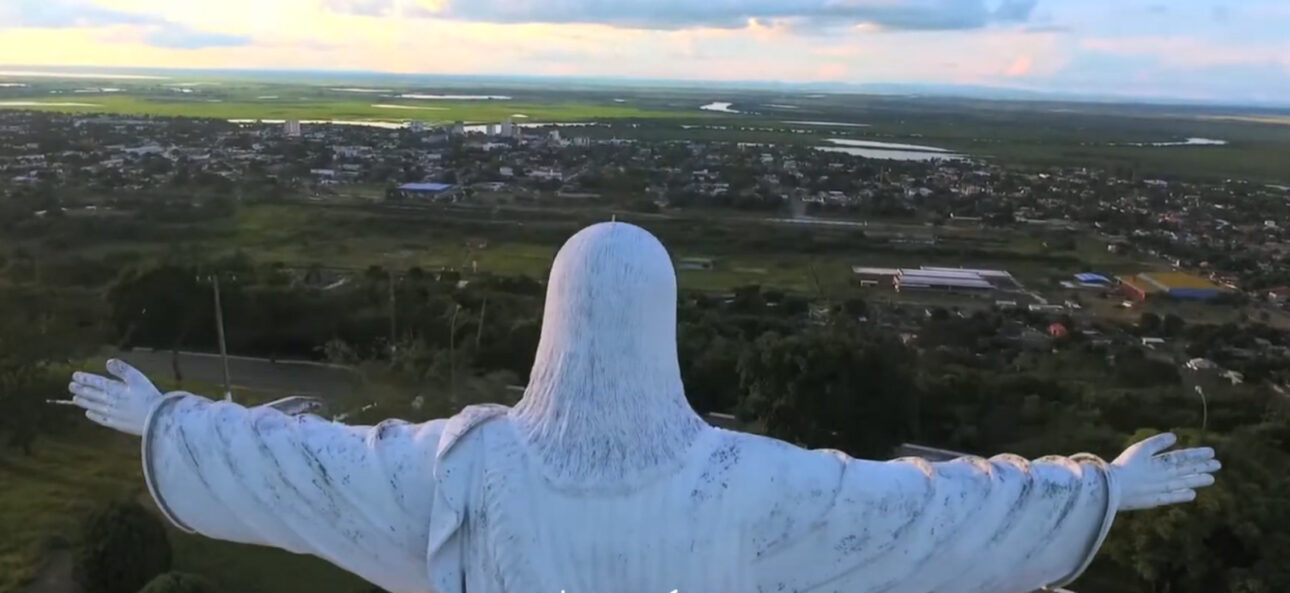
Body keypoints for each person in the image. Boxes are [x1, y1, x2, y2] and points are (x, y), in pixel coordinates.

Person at [69, 222, 1220, 593]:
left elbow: (307, 464)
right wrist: (1097, 483)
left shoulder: (460, 466)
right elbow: (928, 514)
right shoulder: (754, 482)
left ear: (553, 325)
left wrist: (173, 419)